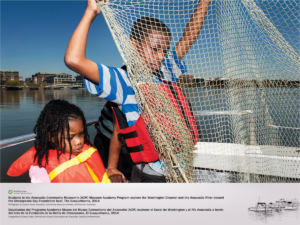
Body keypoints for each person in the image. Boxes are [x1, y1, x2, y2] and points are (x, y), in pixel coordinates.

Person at [65, 0, 210, 182]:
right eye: (155, 49)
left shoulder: (165, 71)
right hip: (127, 153)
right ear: (133, 45)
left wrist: (205, 2)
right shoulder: (121, 80)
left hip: (171, 164)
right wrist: (91, 12)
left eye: (164, 51)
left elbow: (188, 38)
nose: (161, 57)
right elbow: (73, 60)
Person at [7, 99, 110, 183]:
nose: (79, 141)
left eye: (82, 134)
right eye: (70, 138)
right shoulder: (41, 171)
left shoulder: (84, 149)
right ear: (51, 137)